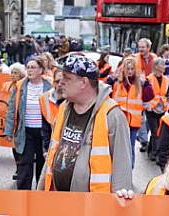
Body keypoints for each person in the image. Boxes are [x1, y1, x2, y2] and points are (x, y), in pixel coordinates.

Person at [38, 53, 133, 193]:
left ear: (84, 82)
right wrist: (40, 191)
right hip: (57, 200)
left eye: (67, 78)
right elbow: (52, 153)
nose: (60, 81)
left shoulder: (112, 115)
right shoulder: (64, 108)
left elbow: (122, 166)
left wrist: (118, 205)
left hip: (92, 206)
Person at [6, 58, 53, 190]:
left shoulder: (50, 85)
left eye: (33, 67)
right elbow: (11, 108)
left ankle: (40, 195)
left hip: (45, 132)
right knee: (24, 165)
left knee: (42, 164)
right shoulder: (20, 85)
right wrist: (9, 131)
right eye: (28, 67)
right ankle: (23, 195)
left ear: (41, 70)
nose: (30, 70)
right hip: (25, 131)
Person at [108, 56, 148, 166]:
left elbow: (149, 97)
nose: (130, 71)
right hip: (119, 121)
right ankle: (118, 171)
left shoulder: (140, 84)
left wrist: (147, 83)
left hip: (133, 122)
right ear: (123, 70)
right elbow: (106, 96)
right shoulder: (117, 83)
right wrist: (110, 80)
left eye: (132, 69)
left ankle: (129, 172)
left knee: (130, 147)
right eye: (128, 69)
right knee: (117, 148)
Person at [144, 58, 169, 157]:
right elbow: (145, 95)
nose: (164, 67)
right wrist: (147, 106)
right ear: (156, 66)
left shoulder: (166, 79)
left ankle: (151, 149)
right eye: (162, 65)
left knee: (158, 131)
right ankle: (154, 153)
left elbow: (167, 93)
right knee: (155, 131)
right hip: (151, 108)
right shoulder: (149, 79)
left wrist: (167, 103)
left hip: (161, 108)